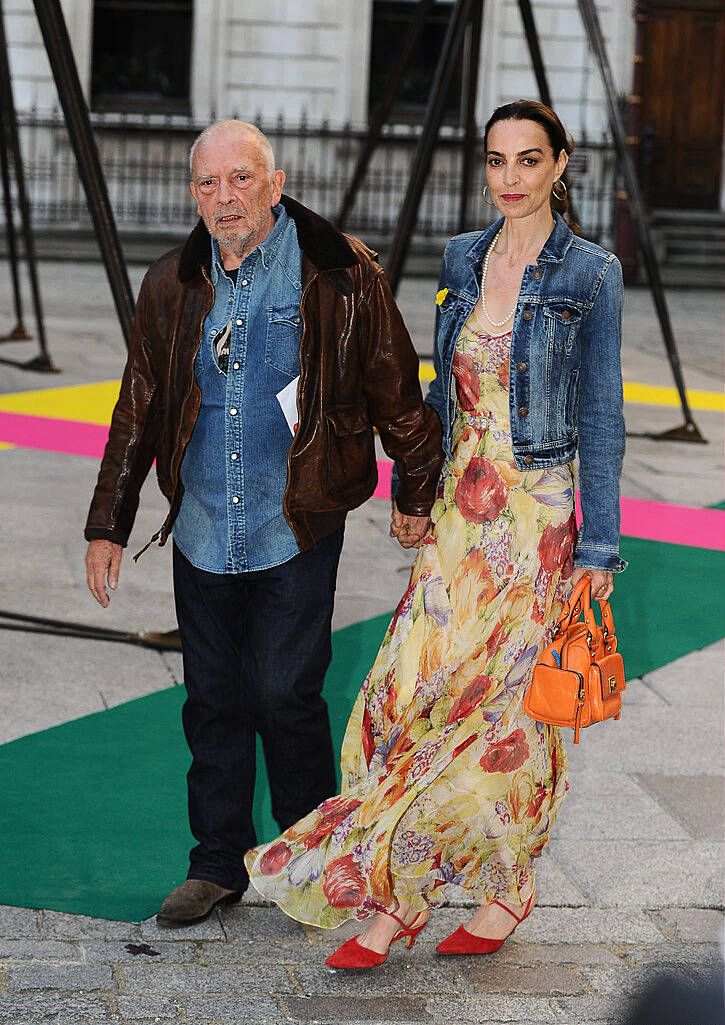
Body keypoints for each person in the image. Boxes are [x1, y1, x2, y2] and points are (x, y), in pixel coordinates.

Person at [245, 100, 626, 967]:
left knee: (501, 715)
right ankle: (405, 884)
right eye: (496, 161)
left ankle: (474, 893)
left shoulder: (590, 274)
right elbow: (438, 394)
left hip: (538, 524)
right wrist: (417, 489)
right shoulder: (460, 256)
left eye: (529, 160)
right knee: (403, 695)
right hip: (461, 514)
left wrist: (597, 549)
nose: (511, 178)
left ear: (560, 164)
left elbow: (601, 416)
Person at [84, 120, 443, 926]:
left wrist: (416, 491)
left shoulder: (340, 275)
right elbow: (136, 406)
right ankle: (216, 863)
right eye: (208, 184)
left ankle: (304, 854)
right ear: (193, 193)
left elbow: (395, 386)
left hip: (296, 519)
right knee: (211, 697)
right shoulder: (169, 283)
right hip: (205, 521)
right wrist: (108, 522)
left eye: (240, 179)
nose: (224, 198)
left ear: (274, 184)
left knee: (282, 691)